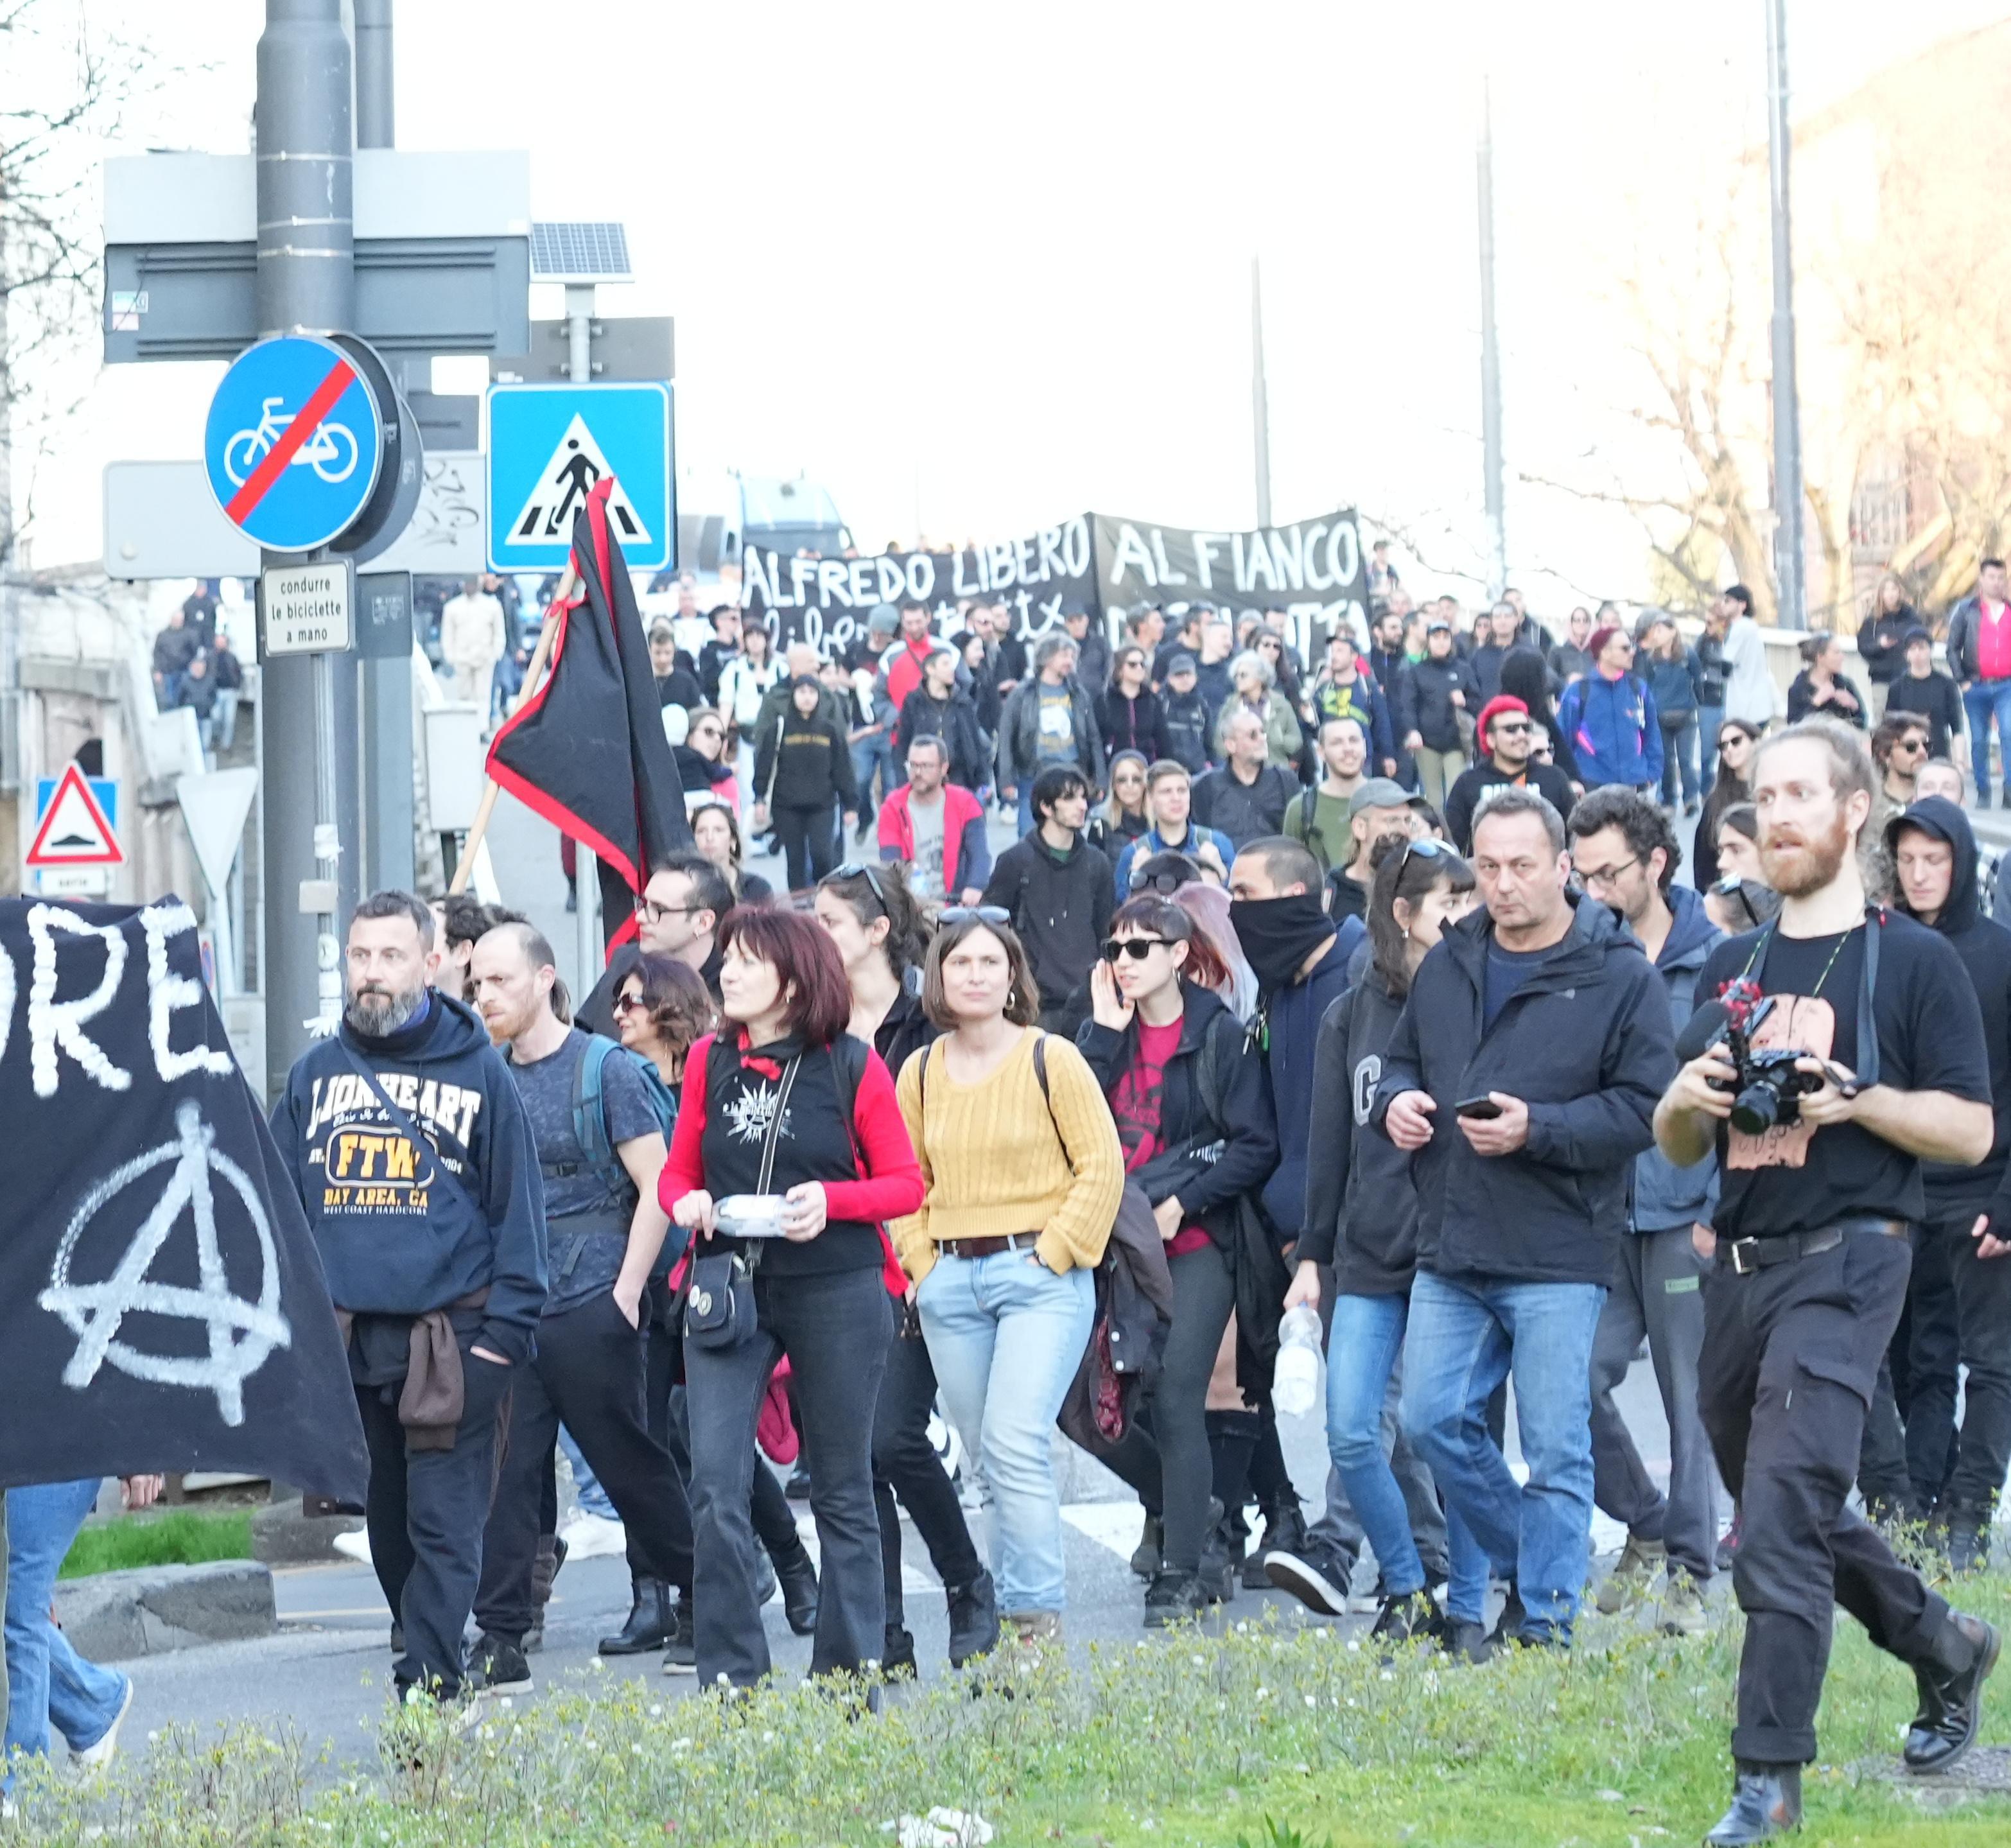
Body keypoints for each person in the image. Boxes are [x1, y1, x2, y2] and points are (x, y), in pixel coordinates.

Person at [1654, 720, 1999, 1844]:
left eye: (1802, 792)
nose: (1777, 813)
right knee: (1789, 1509)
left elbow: (1967, 1126)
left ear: (1855, 809)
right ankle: (1945, 1643)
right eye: (1763, 795)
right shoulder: (1729, 964)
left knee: (1777, 1526)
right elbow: (1670, 1143)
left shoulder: (1914, 961)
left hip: (1853, 1258)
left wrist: (1856, 1100)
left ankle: (1768, 1781)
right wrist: (1688, 1096)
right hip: (1739, 1273)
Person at [1377, 790, 1674, 1655]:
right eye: (1489, 867)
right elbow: (1400, 1059)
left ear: (1562, 867)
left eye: (1522, 866)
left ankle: (1544, 1622)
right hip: (1454, 1233)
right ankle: (1547, 1564)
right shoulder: (1450, 958)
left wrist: (1537, 1129)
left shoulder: (1619, 972)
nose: (1502, 884)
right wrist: (1396, 1103)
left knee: (1554, 1441)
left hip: (1559, 1242)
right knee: (1432, 1420)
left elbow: (1644, 1110)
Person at [269, 891, 546, 1704]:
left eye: (391, 956)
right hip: (353, 1347)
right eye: (360, 956)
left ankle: (427, 1695)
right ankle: (424, 1650)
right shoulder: (316, 1074)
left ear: (432, 963)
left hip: (451, 1343)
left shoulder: (482, 1073)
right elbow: (279, 1211)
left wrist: (500, 1344)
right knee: (389, 1533)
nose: (372, 974)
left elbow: (518, 1216)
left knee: (444, 1527)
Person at [659, 908, 925, 1687]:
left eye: (744, 962)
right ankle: (734, 1680)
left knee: (843, 1488)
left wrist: (831, 1202)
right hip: (729, 1284)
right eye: (727, 961)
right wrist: (686, 1203)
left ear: (795, 978)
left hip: (837, 1284)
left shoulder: (850, 1063)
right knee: (714, 1485)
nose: (725, 974)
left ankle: (846, 1678)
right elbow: (678, 1171)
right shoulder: (709, 1060)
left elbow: (905, 1184)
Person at [466, 922, 692, 1695]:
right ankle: (499, 1635)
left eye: (498, 980)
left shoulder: (608, 1071)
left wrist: (626, 1293)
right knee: (508, 1472)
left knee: (629, 1461)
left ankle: (703, 1590)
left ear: (543, 979)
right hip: (517, 1306)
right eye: (476, 985)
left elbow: (657, 1187)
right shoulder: (486, 1076)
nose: (485, 996)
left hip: (596, 1299)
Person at [892, 910, 1126, 1648]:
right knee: (990, 1463)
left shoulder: (1050, 1058)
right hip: (951, 1283)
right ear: (938, 976)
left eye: (991, 962)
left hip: (1039, 1275)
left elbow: (1102, 1165)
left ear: (1013, 976)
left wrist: (1057, 1250)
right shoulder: (921, 1070)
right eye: (960, 963)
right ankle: (1015, 1620)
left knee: (1015, 1439)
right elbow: (905, 1181)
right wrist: (924, 1268)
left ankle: (1032, 1631)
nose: (975, 975)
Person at [1290, 836, 1482, 1646]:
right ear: (1403, 913)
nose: (1467, 917)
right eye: (1451, 903)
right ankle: (1406, 1585)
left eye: (1470, 902)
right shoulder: (1349, 1011)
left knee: (1453, 1433)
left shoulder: (1482, 994)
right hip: (1368, 1253)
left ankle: (1467, 1599)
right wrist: (1311, 1257)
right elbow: (1328, 1147)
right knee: (1352, 1428)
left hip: (1457, 1253)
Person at [812, 866, 1000, 1672]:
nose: (815, 933)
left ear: (877, 930)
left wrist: (927, 1249)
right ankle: (882, 1632)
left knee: (890, 1439)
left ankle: (966, 1581)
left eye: (829, 920)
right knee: (849, 1455)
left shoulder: (927, 1025)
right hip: (838, 1257)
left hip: (923, 1249)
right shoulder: (812, 1024)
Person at [1077, 897, 1278, 1623]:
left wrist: (1183, 1203)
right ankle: (1191, 1502)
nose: (1123, 963)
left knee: (1173, 1391)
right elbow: (1070, 1115)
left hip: (1196, 1242)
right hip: (1112, 1242)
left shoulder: (1217, 1034)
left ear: (1179, 952)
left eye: (1139, 949)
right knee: (1085, 1408)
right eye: (1114, 948)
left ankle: (1183, 1570)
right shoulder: (1102, 1029)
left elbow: (1256, 1144)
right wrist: (1102, 1034)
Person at [1567, 790, 1722, 1635]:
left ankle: (1694, 1572)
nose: (1593, 889)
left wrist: (1717, 1212)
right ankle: (1647, 1523)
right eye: (1581, 873)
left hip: (1682, 1212)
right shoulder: (1587, 955)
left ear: (1656, 862)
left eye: (1609, 872)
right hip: (1600, 1213)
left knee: (1689, 1396)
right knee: (1570, 1378)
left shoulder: (1718, 957)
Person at [1224, 838, 1380, 1609]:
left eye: (1244, 893)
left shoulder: (1360, 972)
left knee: (1367, 1402)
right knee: (1377, 1406)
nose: (1233, 911)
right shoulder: (1282, 985)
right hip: (1303, 1232)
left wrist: (1326, 1233)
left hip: (1362, 1228)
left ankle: (1339, 1545)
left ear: (1294, 895)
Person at [1883, 797, 2011, 1574]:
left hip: (1984, 1187)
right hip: (1900, 1188)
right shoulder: (1884, 947)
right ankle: (1921, 1503)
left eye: (1936, 859)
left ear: (1962, 863)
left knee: (1992, 1362)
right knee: (1911, 1358)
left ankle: (1971, 1510)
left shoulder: (1999, 952)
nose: (1922, 874)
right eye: (1908, 861)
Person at [5, 1473, 159, 1781]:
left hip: (55, 1449)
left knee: (18, 1601)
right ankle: (90, 1704)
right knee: (13, 1603)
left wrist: (140, 1458)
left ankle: (16, 1784)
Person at [982, 766, 1113, 1032]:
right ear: (1046, 807)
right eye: (1069, 798)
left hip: (1086, 1000)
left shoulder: (1097, 863)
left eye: (1083, 798)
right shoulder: (1015, 861)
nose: (1082, 806)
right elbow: (991, 927)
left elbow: (1106, 931)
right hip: (1034, 1002)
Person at [753, 675, 858, 891]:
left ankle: (822, 895)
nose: (807, 697)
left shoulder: (829, 730)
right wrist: (760, 798)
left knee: (822, 855)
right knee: (795, 859)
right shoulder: (780, 728)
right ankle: (799, 903)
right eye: (802, 692)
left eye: (812, 692)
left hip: (822, 805)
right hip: (787, 806)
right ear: (793, 695)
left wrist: (851, 805)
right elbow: (764, 765)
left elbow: (843, 769)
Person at [998, 634, 1105, 839]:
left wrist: (1100, 778)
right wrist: (1006, 779)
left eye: (1072, 656)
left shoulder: (1078, 694)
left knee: (1071, 834)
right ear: (1046, 658)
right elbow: (1006, 738)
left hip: (1072, 772)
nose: (1070, 661)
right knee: (1029, 834)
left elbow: (1093, 737)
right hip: (1033, 774)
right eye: (1064, 655)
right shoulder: (1022, 694)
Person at [1443, 696, 1578, 855]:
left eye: (1526, 728)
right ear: (1491, 740)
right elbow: (1451, 843)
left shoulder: (1554, 778)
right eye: (1511, 729)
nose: (1522, 735)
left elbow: (1575, 834)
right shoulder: (1468, 783)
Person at [876, 734, 991, 905]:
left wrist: (975, 886)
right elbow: (890, 860)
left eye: (926, 766)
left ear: (944, 768)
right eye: (913, 765)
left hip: (957, 903)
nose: (918, 773)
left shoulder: (966, 803)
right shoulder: (893, 807)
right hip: (912, 905)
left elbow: (979, 853)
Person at [1554, 623, 1662, 793]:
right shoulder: (1578, 692)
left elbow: (1653, 735)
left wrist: (1651, 775)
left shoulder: (1639, 689)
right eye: (1625, 648)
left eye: (1632, 646)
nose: (1632, 652)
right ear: (1604, 652)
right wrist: (1572, 780)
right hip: (1592, 786)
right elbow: (1562, 740)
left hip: (1634, 784)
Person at [1113, 760, 1232, 895]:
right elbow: (1122, 909)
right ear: (1150, 799)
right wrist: (1136, 878)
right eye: (1166, 792)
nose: (1176, 798)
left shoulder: (1217, 843)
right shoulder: (1133, 853)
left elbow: (1238, 900)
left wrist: (1221, 874)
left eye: (1182, 790)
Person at [1947, 561, 2011, 804]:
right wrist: (1962, 680)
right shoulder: (1967, 610)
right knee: (1980, 739)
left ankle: (2009, 792)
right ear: (1982, 580)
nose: (1997, 582)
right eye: (1992, 577)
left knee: (2008, 734)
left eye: (2001, 577)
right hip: (1976, 684)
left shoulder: (2009, 609)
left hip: (2006, 685)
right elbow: (1953, 648)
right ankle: (1983, 791)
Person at [1192, 709, 1297, 849]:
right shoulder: (1205, 786)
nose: (1262, 739)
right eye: (1253, 735)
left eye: (1262, 732)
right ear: (1231, 745)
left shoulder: (1285, 780)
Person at [1327, 779, 1425, 925]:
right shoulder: (1330, 895)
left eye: (1408, 821)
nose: (1405, 831)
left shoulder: (1419, 888)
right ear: (1360, 828)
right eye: (1392, 821)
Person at [1407, 616, 1478, 810]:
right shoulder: (1417, 671)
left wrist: (1464, 701)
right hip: (1427, 742)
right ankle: (1434, 836)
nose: (1441, 641)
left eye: (1445, 637)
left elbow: (1478, 703)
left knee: (1456, 794)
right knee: (1433, 799)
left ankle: (1455, 838)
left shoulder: (1463, 669)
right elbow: (1409, 704)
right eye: (1436, 637)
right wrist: (1412, 731)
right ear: (1428, 641)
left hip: (1456, 741)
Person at [1283, 715, 1370, 874]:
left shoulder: (1388, 800)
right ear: (1321, 752)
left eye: (1354, 740)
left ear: (1364, 746)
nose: (1348, 749)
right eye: (1337, 743)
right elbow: (1290, 872)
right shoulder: (1301, 809)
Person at [895, 648, 988, 794]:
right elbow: (904, 741)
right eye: (945, 664)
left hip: (959, 778)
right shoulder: (914, 702)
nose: (951, 669)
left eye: (951, 664)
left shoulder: (963, 701)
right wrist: (904, 780)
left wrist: (982, 781)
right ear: (930, 669)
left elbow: (975, 742)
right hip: (924, 778)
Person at [1639, 611, 1706, 814]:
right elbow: (1647, 687)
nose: (1657, 634)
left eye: (1661, 629)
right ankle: (1668, 800)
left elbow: (1698, 681)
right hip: (1661, 716)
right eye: (1655, 630)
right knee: (1666, 760)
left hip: (1685, 715)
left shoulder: (1687, 654)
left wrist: (1698, 705)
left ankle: (1691, 798)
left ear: (1673, 631)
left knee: (1685, 760)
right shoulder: (1652, 659)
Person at [1309, 629, 1397, 775]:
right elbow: (1314, 724)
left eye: (1340, 651)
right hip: (1332, 760)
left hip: (1362, 760)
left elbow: (1382, 722)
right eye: (1332, 651)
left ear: (1354, 656)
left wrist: (1388, 755)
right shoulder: (1323, 690)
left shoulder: (1367, 688)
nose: (1334, 656)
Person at [1695, 720, 1763, 892]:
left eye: (1736, 741)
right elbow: (1704, 862)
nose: (1729, 749)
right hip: (1732, 891)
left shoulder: (1774, 789)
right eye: (1723, 746)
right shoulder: (1716, 801)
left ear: (1755, 742)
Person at [1215, 650, 1303, 772]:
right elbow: (1219, 742)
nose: (1238, 679)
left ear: (1260, 677)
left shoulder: (1281, 704)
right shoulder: (1230, 706)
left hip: (1275, 772)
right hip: (1240, 773)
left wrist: (1278, 739)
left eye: (1243, 675)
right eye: (1236, 676)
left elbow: (1296, 741)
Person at [1884, 627, 1962, 762]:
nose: (1917, 653)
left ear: (1931, 650)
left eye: (1922, 648)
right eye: (1912, 649)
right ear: (1906, 654)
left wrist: (1960, 762)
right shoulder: (1897, 687)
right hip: (1907, 756)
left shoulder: (1946, 684)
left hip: (1938, 754)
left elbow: (1957, 729)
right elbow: (1890, 728)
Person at [440, 575, 507, 720]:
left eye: (473, 583)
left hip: (485, 659)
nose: (470, 586)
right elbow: (447, 634)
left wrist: (496, 654)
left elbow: (499, 633)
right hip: (462, 659)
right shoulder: (452, 607)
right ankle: (466, 727)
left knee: (483, 696)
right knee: (464, 696)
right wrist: (450, 656)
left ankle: (481, 729)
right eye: (467, 583)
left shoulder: (492, 606)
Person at [1858, 575, 1920, 724]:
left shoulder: (1911, 617)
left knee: (1908, 719)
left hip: (1907, 676)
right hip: (1882, 678)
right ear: (1880, 594)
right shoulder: (1872, 621)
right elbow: (1863, 647)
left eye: (1894, 589)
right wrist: (1879, 645)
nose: (1891, 594)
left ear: (1900, 591)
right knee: (1882, 718)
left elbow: (1922, 640)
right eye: (1886, 590)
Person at [689, 800, 772, 907]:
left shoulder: (756, 888)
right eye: (701, 831)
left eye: (718, 830)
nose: (709, 837)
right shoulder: (683, 889)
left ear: (733, 841)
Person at [1719, 586, 1779, 733]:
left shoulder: (1740, 629)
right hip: (1759, 704)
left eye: (1728, 601)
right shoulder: (1752, 627)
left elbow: (1725, 666)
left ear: (1742, 605)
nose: (1723, 604)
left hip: (1744, 706)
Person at [1099, 643, 1171, 765]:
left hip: (1148, 767)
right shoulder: (1104, 700)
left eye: (1142, 664)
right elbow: (1099, 741)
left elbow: (1163, 740)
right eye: (1133, 665)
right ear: (1120, 669)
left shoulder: (1153, 700)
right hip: (1114, 768)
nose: (1139, 668)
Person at [1086, 749, 1153, 873]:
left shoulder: (1160, 820)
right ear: (1114, 785)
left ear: (1145, 784)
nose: (1130, 785)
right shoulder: (1099, 821)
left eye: (1137, 779)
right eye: (1122, 780)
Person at [1786, 632, 1866, 730]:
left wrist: (1854, 706)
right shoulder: (1799, 689)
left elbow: (1862, 724)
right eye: (1837, 652)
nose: (1842, 657)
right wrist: (1816, 703)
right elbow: (1793, 728)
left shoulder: (1846, 685)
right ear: (1820, 657)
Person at [1158, 651, 1212, 774]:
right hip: (1168, 771)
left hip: (1199, 771)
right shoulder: (1160, 703)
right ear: (1170, 679)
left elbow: (1209, 742)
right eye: (1179, 675)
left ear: (1195, 677)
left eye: (1188, 674)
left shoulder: (1202, 705)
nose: (1185, 679)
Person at [1871, 715, 1932, 812]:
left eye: (1926, 745)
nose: (1922, 752)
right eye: (1911, 746)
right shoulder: (1870, 806)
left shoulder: (1936, 803)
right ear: (1885, 755)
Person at [1468, 602, 1521, 706]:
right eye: (1497, 617)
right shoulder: (1479, 655)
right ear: (1492, 622)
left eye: (1507, 616)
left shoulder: (1529, 654)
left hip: (1519, 717)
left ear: (1516, 620)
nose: (1502, 621)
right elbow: (1471, 691)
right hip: (1488, 717)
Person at [698, 603, 743, 706]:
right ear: (719, 622)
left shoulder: (742, 646)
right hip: (720, 704)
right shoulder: (708, 652)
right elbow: (708, 682)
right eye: (733, 619)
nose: (738, 623)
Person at [210, 631, 245, 751]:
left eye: (222, 642)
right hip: (216, 691)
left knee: (229, 720)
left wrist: (238, 685)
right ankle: (216, 738)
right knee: (216, 718)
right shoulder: (210, 657)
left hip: (230, 691)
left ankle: (226, 745)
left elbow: (239, 673)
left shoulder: (232, 657)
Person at [1548, 606, 1596, 688]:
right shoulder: (1558, 652)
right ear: (1571, 623)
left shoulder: (1597, 652)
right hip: (1567, 697)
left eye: (1585, 620)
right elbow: (1549, 680)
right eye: (1577, 620)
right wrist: (1568, 680)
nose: (1582, 623)